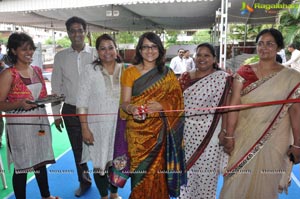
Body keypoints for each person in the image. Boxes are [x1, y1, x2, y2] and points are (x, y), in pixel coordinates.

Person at [220, 28, 300, 199]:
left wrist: (298, 144)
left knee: (266, 184)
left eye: (270, 44)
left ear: (279, 48)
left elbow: (296, 112)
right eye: (260, 44)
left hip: (275, 139)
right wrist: (229, 135)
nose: (264, 48)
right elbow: (233, 105)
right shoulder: (244, 73)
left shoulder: (292, 78)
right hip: (243, 136)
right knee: (234, 180)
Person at [121, 32, 186, 199]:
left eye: (154, 46)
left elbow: (177, 100)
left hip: (160, 133)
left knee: (159, 175)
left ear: (160, 49)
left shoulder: (168, 74)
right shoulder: (129, 72)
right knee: (139, 175)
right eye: (145, 46)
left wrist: (162, 106)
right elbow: (124, 103)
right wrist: (133, 109)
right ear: (139, 50)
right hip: (137, 135)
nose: (149, 50)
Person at [0, 32, 59, 199]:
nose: (29, 52)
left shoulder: (38, 71)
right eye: (23, 49)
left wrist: (50, 98)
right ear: (13, 50)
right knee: (23, 166)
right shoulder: (8, 74)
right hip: (20, 126)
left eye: (31, 48)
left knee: (40, 160)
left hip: (40, 122)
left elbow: (39, 98)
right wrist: (19, 104)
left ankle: (46, 196)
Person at [51, 16, 97, 197]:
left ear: (85, 32)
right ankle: (84, 182)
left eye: (80, 30)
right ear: (68, 33)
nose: (77, 34)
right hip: (71, 109)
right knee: (78, 150)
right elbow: (56, 88)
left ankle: (108, 181)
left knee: (102, 146)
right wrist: (56, 115)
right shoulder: (60, 57)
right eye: (72, 31)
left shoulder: (96, 53)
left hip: (95, 109)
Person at [178, 43, 230, 199]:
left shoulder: (223, 78)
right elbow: (177, 103)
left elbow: (227, 107)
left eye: (206, 55)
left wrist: (225, 131)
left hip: (211, 133)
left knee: (207, 175)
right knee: (186, 174)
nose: (202, 58)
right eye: (199, 55)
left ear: (214, 59)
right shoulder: (185, 77)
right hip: (186, 133)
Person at [76, 34, 122, 199]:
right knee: (99, 161)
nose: (107, 51)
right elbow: (81, 102)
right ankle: (103, 195)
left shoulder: (126, 69)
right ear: (97, 52)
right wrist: (85, 128)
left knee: (117, 161)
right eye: (102, 48)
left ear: (116, 49)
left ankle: (114, 193)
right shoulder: (90, 70)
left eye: (110, 47)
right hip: (97, 126)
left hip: (120, 125)